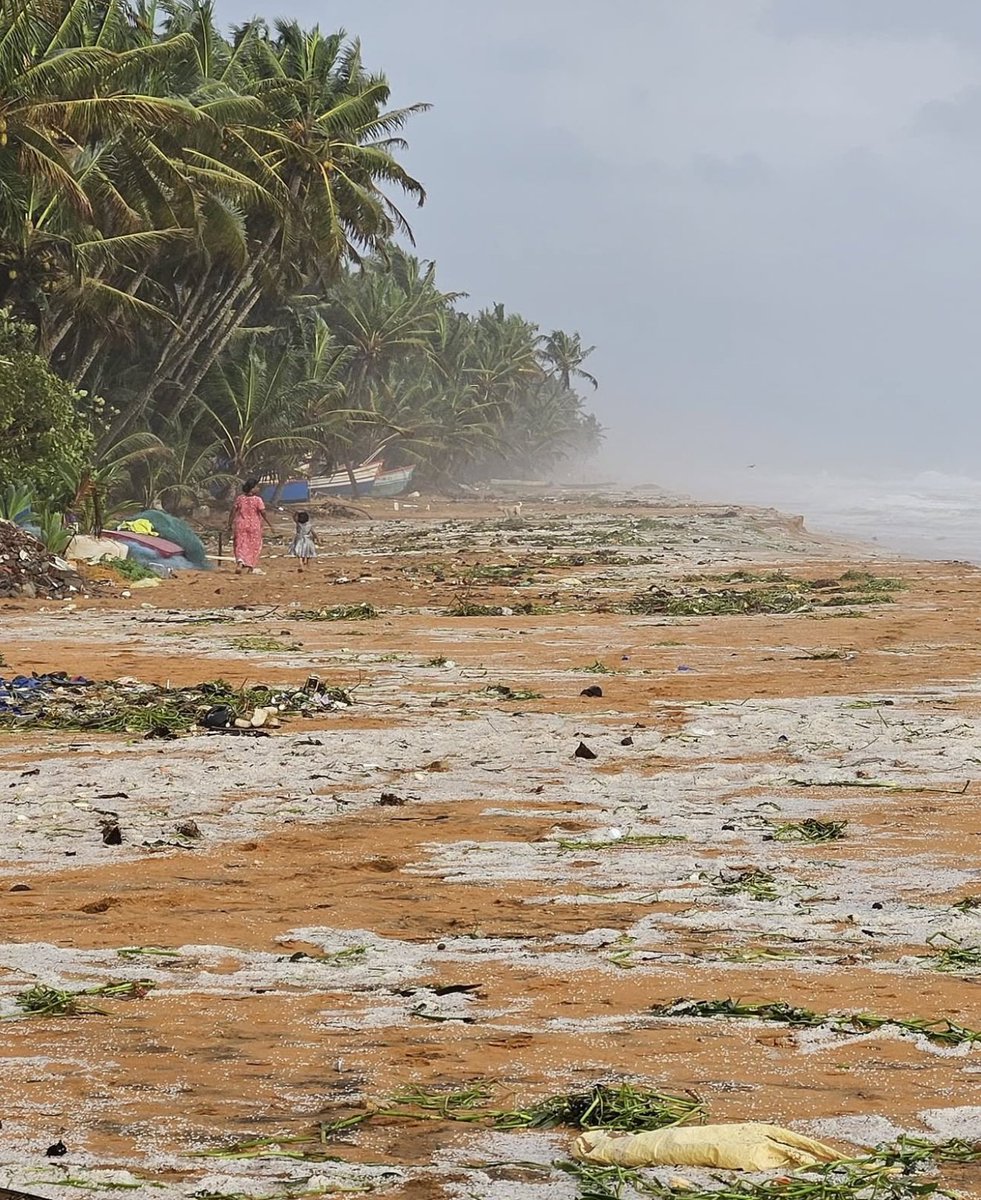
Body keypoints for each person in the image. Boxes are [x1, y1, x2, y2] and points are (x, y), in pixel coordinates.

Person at [229, 479, 271, 574]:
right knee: (254, 545)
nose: (258, 488)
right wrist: (269, 524)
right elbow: (263, 512)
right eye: (257, 486)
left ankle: (240, 562)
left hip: (241, 524)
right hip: (254, 526)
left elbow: (233, 511)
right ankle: (250, 566)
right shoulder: (258, 500)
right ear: (252, 488)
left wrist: (229, 524)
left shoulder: (240, 498)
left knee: (240, 544)